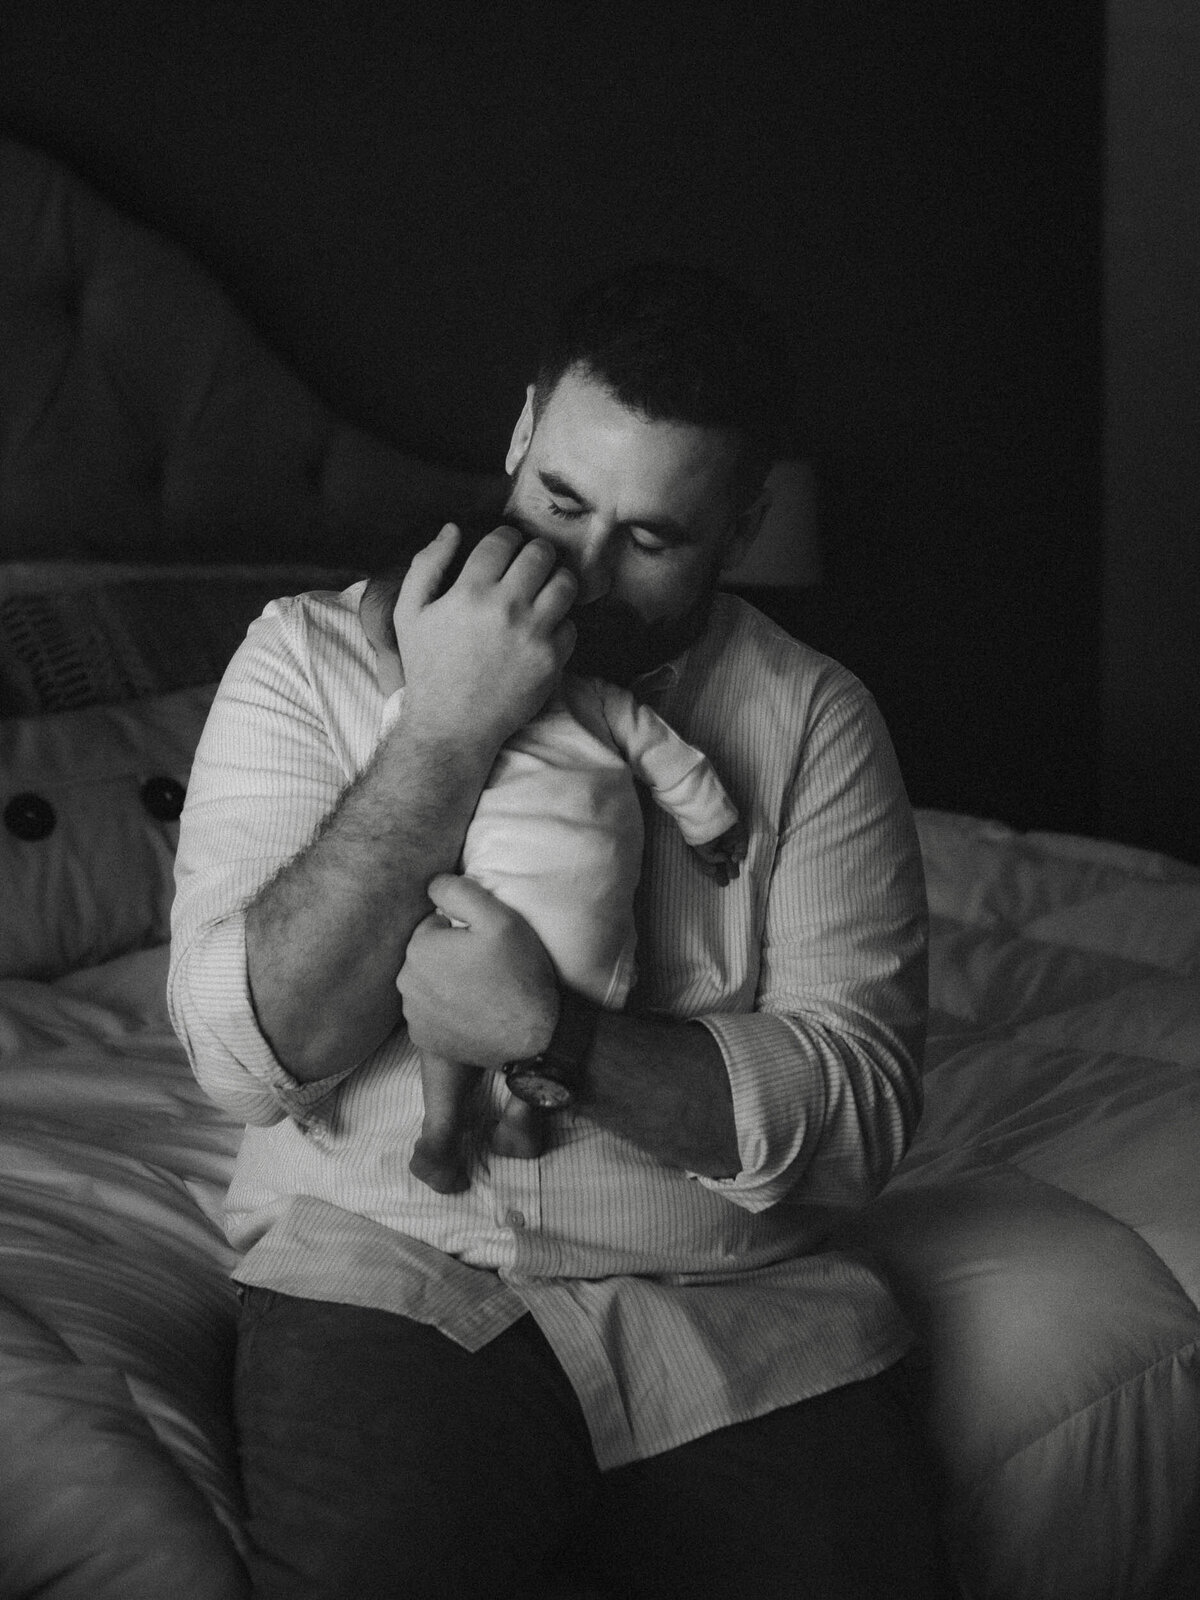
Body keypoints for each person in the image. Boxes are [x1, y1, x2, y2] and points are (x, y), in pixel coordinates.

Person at [169, 261, 952, 1599]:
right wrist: (449, 730)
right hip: (386, 1262)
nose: (579, 573)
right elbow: (252, 1061)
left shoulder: (812, 719)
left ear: (745, 523)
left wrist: (556, 1036)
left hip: (728, 1306)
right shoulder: (305, 659)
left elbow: (861, 1113)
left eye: (652, 540)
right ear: (522, 433)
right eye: (562, 500)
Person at [358, 529, 747, 1193]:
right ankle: (513, 1119)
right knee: (496, 1006)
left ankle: (442, 1126)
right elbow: (672, 762)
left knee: (449, 1013)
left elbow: (398, 796)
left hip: (496, 911)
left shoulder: (421, 719)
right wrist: (711, 822)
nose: (391, 671)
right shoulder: (595, 702)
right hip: (587, 918)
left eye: (393, 651)